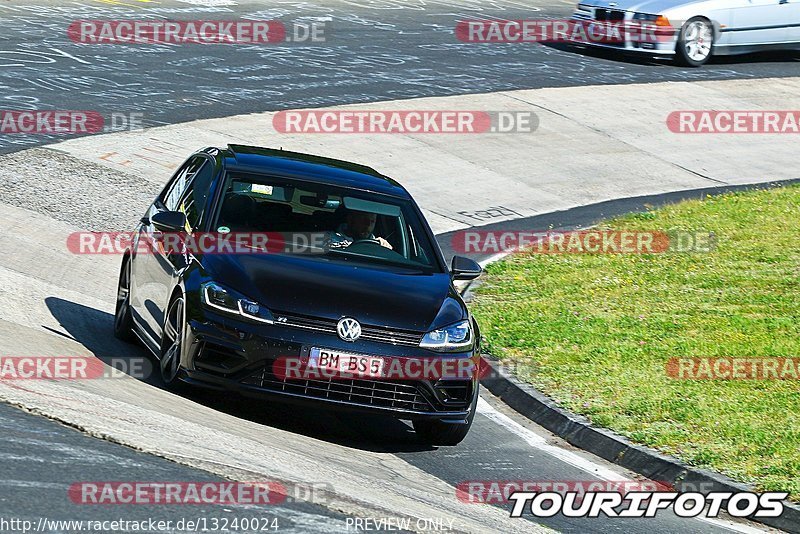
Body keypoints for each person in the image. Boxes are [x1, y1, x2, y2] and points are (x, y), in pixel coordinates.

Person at [326, 209, 393, 250]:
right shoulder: (327, 238)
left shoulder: (379, 244)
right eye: (364, 220)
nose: (368, 225)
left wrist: (384, 249)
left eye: (372, 221)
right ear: (350, 219)